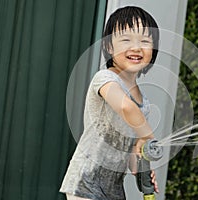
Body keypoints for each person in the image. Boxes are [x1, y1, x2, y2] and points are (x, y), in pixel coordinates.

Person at [60, 6, 160, 200]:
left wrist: (141, 169)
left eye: (145, 41)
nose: (136, 47)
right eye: (126, 40)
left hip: (113, 188)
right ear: (109, 46)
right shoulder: (105, 79)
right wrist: (148, 136)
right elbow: (124, 107)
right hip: (86, 181)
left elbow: (131, 147)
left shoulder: (143, 103)